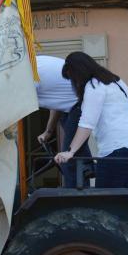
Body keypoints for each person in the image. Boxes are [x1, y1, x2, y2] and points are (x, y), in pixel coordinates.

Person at [55, 52, 128, 199]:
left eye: (73, 79)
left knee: (103, 201)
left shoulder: (94, 86)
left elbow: (87, 123)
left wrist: (71, 151)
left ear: (78, 73)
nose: (74, 84)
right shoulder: (115, 81)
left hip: (118, 149)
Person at [35, 55, 92, 187]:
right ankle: (87, 169)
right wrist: (48, 131)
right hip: (72, 104)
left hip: (79, 101)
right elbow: (57, 104)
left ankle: (75, 197)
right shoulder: (31, 65)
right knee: (74, 150)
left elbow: (18, 109)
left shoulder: (27, 75)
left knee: (68, 156)